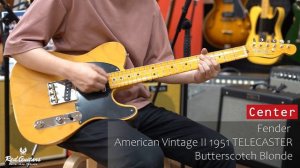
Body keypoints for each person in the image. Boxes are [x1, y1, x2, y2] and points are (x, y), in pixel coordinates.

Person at [4, 0, 235, 167]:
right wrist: (72, 71)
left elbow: (160, 65)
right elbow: (18, 45)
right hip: (80, 111)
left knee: (218, 150)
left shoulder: (149, 7)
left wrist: (196, 75)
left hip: (135, 106)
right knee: (144, 156)